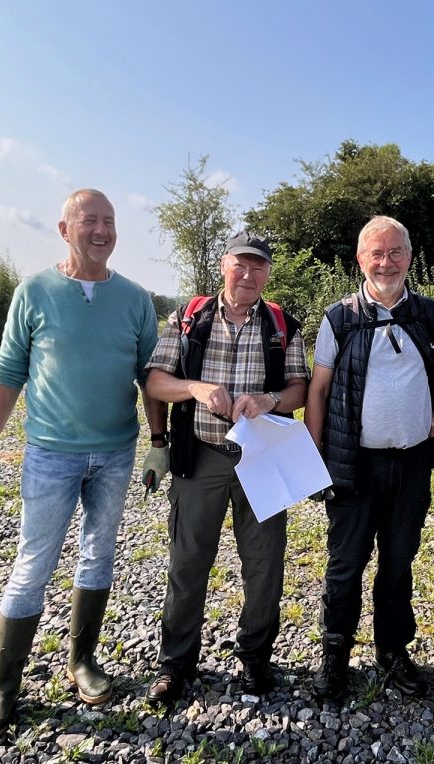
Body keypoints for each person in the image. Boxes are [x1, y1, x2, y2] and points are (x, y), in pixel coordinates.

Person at [0, 189, 167, 741]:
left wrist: (158, 439)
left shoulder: (134, 298)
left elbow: (150, 374)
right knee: (34, 563)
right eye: (89, 221)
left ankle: (83, 661)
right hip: (52, 452)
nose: (101, 230)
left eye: (109, 221)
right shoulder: (35, 291)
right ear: (64, 228)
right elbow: (9, 366)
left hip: (116, 450)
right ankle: (3, 687)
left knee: (99, 553)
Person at [305, 216, 434, 701]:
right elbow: (317, 390)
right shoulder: (339, 317)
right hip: (353, 465)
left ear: (409, 255)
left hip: (412, 465)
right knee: (345, 565)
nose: (386, 262)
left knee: (399, 562)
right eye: (376, 253)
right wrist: (314, 454)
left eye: (395, 251)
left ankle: (393, 651)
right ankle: (334, 655)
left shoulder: (429, 314)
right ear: (360, 260)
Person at [143, 231, 308, 704]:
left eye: (259, 267)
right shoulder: (189, 318)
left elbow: (300, 387)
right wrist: (194, 388)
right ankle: (176, 663)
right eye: (241, 264)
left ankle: (256, 658)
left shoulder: (282, 325)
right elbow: (155, 381)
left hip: (263, 458)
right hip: (202, 456)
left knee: (264, 564)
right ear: (223, 266)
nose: (249, 274)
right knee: (188, 561)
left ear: (268, 274)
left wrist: (271, 399)